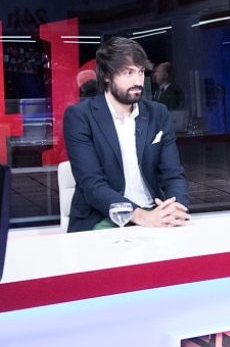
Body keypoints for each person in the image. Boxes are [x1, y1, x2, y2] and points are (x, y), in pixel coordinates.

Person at [63, 38, 190, 233]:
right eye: (128, 73)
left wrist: (176, 209)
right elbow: (93, 186)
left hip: (154, 211)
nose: (138, 81)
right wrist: (143, 217)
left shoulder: (158, 113)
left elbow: (173, 174)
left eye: (140, 72)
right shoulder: (80, 116)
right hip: (103, 217)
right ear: (107, 76)